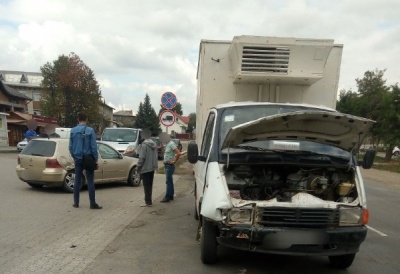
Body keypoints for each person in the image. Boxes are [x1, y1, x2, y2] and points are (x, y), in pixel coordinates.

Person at [69, 113, 102, 209]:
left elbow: (70, 147)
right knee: (90, 181)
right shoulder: (90, 130)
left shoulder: (73, 131)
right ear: (86, 119)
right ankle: (92, 203)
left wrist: (74, 156)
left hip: (78, 158)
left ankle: (76, 203)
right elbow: (93, 147)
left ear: (78, 119)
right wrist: (95, 159)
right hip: (88, 158)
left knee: (77, 180)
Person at [136, 129, 158, 207]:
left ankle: (148, 202)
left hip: (145, 168)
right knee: (150, 185)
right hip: (152, 168)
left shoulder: (144, 145)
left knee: (146, 186)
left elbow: (141, 157)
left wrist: (138, 167)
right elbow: (156, 156)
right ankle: (149, 201)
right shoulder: (154, 144)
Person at [160, 133, 181, 203]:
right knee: (170, 181)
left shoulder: (171, 144)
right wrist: (162, 148)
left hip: (169, 166)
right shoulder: (167, 145)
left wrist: (174, 161)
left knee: (168, 181)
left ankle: (167, 197)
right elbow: (167, 154)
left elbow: (178, 153)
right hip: (167, 165)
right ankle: (171, 195)